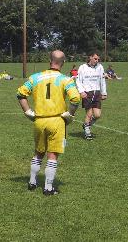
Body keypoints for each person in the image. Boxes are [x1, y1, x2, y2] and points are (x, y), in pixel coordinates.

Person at [17, 50, 80, 196]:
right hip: (57, 121)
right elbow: (75, 99)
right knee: (52, 155)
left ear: (49, 61)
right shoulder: (66, 79)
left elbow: (20, 94)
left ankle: (32, 182)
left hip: (39, 121)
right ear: (63, 62)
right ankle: (48, 188)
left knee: (38, 152)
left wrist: (28, 112)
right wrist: (70, 114)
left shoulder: (35, 77)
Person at [76, 51, 107, 140]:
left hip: (97, 93)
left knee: (97, 115)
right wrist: (81, 91)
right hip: (87, 93)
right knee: (89, 114)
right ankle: (87, 133)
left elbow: (102, 80)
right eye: (95, 58)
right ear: (90, 57)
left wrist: (104, 93)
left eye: (98, 59)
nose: (97, 61)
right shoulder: (82, 67)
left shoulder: (100, 67)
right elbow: (78, 80)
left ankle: (86, 125)